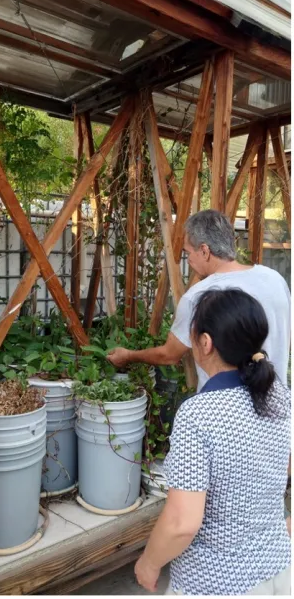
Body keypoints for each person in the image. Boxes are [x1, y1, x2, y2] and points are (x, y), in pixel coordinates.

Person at [134, 288, 291, 596]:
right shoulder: (280, 398)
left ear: (205, 343)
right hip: (280, 572)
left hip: (214, 583)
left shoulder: (198, 414)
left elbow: (182, 522)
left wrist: (149, 564)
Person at [108, 210, 291, 392]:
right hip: (276, 404)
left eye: (188, 252)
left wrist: (128, 355)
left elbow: (169, 355)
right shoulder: (275, 279)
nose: (188, 260)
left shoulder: (200, 296)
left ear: (204, 251)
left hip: (220, 408)